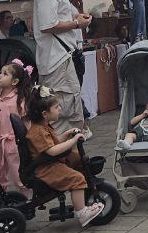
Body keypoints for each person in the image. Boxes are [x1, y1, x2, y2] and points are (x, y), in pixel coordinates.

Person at [34, 0, 92, 140]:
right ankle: (62, 159)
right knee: (61, 112)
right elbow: (48, 24)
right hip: (56, 60)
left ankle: (70, 157)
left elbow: (63, 14)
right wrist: (77, 23)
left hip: (60, 57)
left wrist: (78, 16)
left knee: (70, 110)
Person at [24, 90, 104, 226]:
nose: (60, 109)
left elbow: (53, 143)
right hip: (46, 169)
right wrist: (73, 141)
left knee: (76, 159)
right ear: (45, 114)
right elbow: (53, 151)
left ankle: (82, 197)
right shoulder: (38, 132)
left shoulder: (42, 126)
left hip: (48, 163)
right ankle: (82, 214)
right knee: (77, 179)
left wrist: (67, 133)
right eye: (56, 107)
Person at [0, 59, 32, 195]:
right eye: (0, 73)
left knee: (18, 173)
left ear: (14, 82)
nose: (0, 76)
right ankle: (0, 200)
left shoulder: (19, 99)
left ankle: (26, 199)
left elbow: (26, 121)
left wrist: (29, 141)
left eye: (5, 73)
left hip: (14, 142)